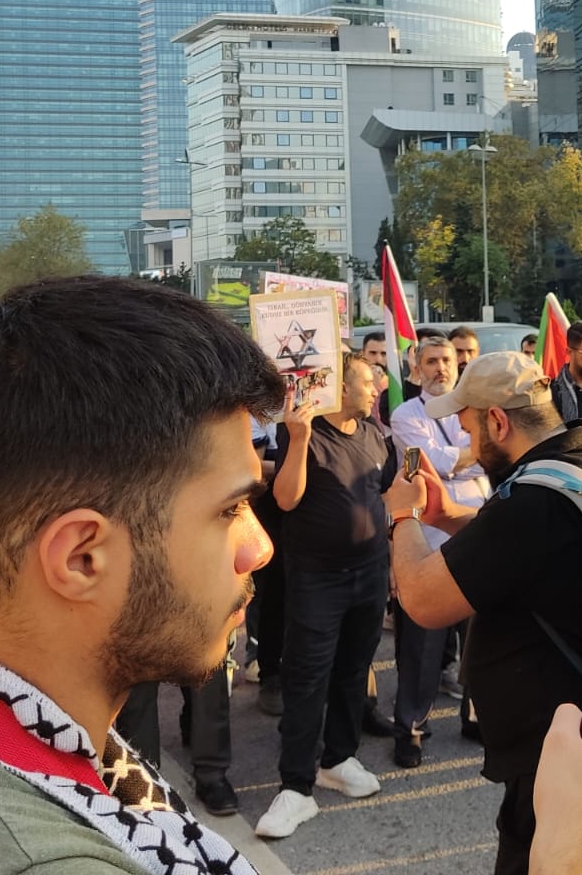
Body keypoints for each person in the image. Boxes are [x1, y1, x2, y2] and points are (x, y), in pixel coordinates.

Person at [0, 276, 582, 875]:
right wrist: (567, 861)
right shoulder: (18, 853)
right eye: (228, 510)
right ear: (81, 556)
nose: (260, 545)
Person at [382, 351, 582, 875]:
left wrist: (404, 515)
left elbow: (422, 598)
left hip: (560, 762)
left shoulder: (530, 503)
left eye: (467, 426)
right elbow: (514, 553)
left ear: (498, 421)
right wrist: (447, 514)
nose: (467, 443)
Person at [256, 357, 394, 841]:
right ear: (339, 385)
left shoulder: (377, 434)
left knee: (353, 670)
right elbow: (287, 499)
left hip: (371, 573)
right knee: (307, 676)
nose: (379, 383)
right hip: (319, 579)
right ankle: (296, 785)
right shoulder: (307, 433)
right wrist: (296, 439)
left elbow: (385, 492)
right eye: (367, 378)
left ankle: (338, 758)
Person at [387, 336, 490, 766]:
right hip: (429, 544)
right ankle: (411, 727)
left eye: (447, 359)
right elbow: (431, 464)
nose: (440, 368)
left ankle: (475, 716)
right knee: (423, 645)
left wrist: (461, 457)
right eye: (431, 361)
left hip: (478, 532)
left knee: (479, 643)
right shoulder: (406, 415)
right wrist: (473, 455)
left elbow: (493, 459)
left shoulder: (474, 410)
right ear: (417, 368)